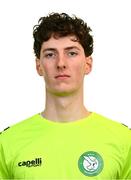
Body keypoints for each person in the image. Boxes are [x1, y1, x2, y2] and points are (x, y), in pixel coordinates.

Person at [0, 12, 131, 179]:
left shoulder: (124, 140)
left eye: (71, 53)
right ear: (39, 66)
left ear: (88, 64)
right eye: (50, 54)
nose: (61, 63)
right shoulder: (7, 142)